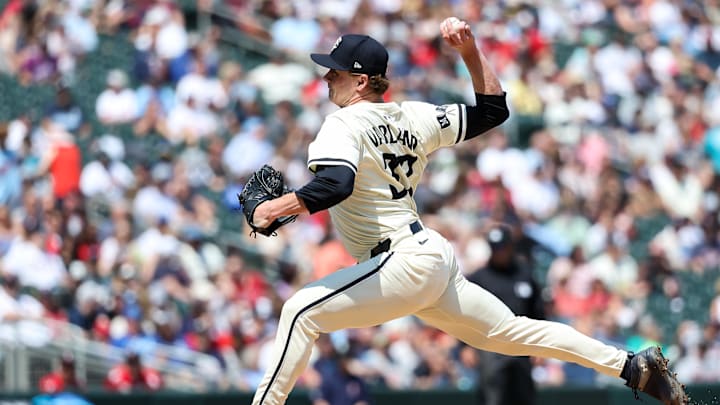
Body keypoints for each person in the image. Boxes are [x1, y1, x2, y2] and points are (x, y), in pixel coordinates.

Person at [247, 17, 687, 405]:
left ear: (361, 81)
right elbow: (493, 111)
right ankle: (632, 366)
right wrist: (471, 52)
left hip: (400, 261)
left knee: (301, 311)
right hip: (429, 258)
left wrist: (272, 210)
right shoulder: (411, 116)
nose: (327, 77)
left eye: (336, 70)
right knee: (513, 333)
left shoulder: (341, 123)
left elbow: (334, 185)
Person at [467, 225, 544, 405]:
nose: (499, 252)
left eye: (502, 247)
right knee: (493, 394)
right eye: (495, 248)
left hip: (521, 344)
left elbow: (537, 310)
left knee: (523, 394)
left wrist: (540, 346)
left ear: (510, 247)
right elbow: (465, 312)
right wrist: (465, 345)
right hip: (490, 345)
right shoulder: (479, 278)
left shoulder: (524, 274)